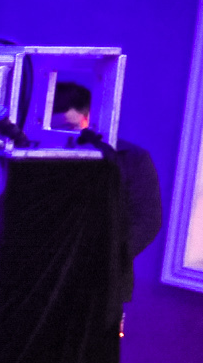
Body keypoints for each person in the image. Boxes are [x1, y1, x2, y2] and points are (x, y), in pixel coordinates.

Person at [51, 81, 162, 308]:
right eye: (55, 129)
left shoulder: (131, 158)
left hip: (102, 280)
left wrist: (106, 258)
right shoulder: (39, 154)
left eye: (71, 127)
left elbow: (147, 219)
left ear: (90, 119)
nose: (65, 137)